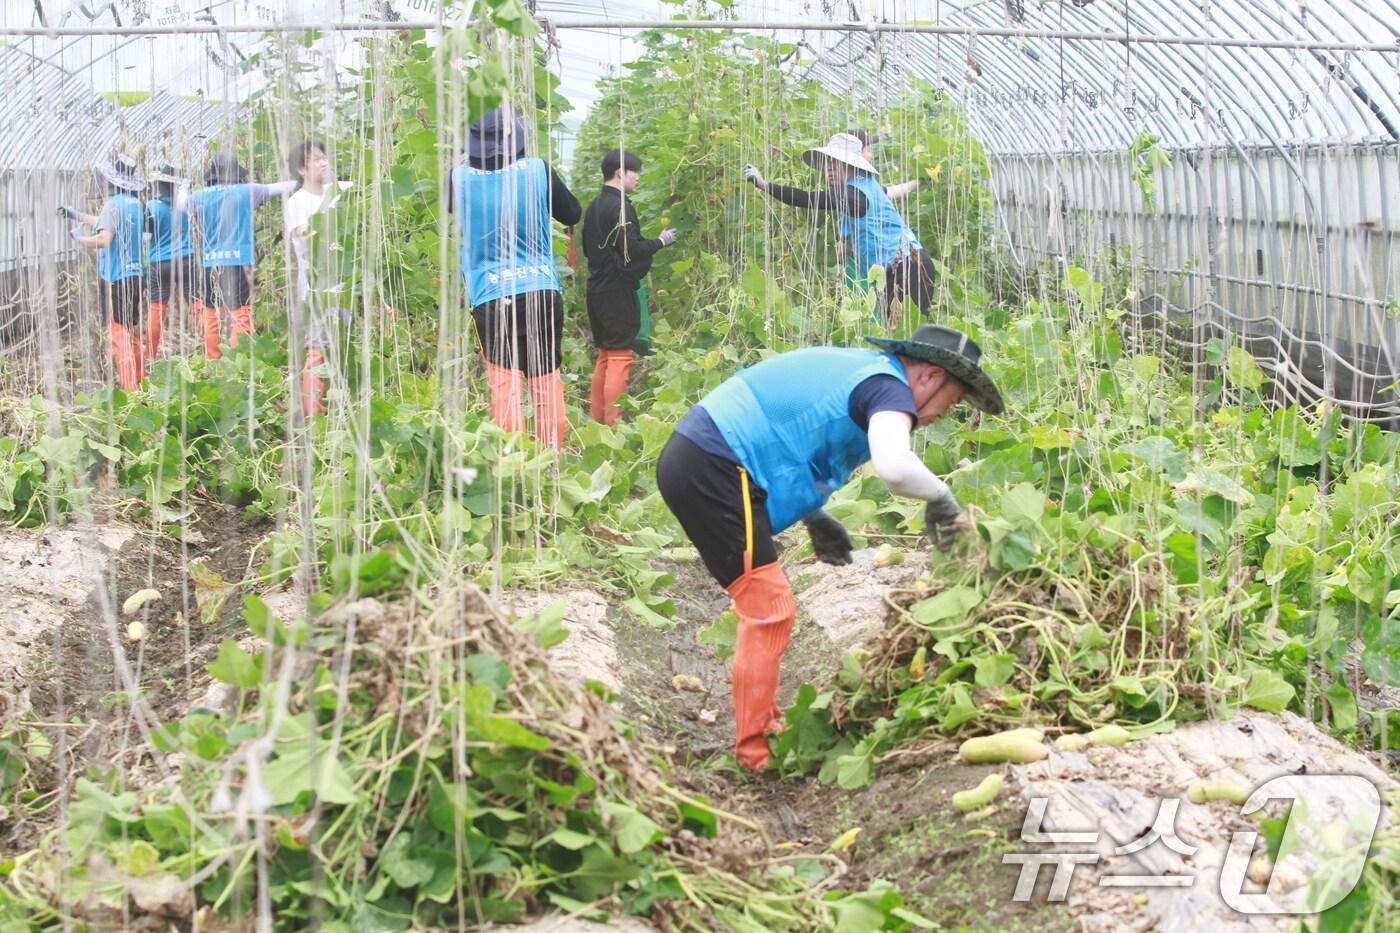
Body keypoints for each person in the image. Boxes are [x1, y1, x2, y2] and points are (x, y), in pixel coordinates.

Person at [656, 324, 1005, 770]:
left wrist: (813, 515)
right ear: (931, 377)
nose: (941, 415)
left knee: (768, 606)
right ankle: (755, 751)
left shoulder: (867, 375)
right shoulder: (889, 388)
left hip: (709, 459)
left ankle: (763, 725)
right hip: (714, 464)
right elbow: (895, 467)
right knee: (769, 609)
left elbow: (784, 436)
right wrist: (942, 498)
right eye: (952, 402)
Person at [451, 105, 581, 448]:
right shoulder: (538, 171)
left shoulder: (458, 178)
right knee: (545, 376)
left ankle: (514, 463)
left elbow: (452, 208)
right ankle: (550, 458)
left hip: (490, 296)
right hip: (540, 289)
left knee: (504, 382)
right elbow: (573, 212)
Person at [744, 132, 936, 326]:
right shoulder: (861, 187)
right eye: (827, 163)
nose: (829, 169)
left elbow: (810, 199)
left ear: (852, 165)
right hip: (891, 272)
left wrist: (763, 184)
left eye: (835, 163)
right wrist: (850, 248)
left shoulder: (853, 194)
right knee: (891, 330)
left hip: (910, 267)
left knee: (909, 332)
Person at [580, 148, 678, 426]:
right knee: (621, 356)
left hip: (596, 288)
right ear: (621, 173)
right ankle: (614, 425)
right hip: (615, 292)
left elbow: (589, 249)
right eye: (636, 173)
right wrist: (661, 241)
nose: (638, 179)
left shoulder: (595, 205)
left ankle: (597, 421)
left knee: (605, 356)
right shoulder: (621, 207)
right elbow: (631, 250)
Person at [189, 152, 296, 360]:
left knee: (212, 313)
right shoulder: (246, 191)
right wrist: (305, 179)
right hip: (239, 262)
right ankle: (239, 363)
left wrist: (183, 187)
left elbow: (181, 204)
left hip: (210, 263)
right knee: (240, 314)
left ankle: (213, 360)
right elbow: (280, 187)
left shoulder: (199, 197)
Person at [61, 155, 149, 389]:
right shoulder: (134, 204)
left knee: (118, 334)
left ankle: (130, 389)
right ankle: (141, 381)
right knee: (131, 330)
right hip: (135, 276)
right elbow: (105, 222)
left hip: (116, 279)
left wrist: (80, 240)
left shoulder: (113, 204)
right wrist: (77, 215)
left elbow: (104, 237)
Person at [283, 139, 350, 416]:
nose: (324, 163)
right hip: (317, 289)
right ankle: (314, 415)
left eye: (325, 157)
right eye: (315, 159)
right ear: (301, 169)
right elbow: (305, 236)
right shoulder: (297, 203)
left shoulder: (340, 191)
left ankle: (337, 411)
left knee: (341, 350)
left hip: (343, 285)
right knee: (317, 350)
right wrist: (332, 243)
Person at [840, 130, 920, 294]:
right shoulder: (852, 191)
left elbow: (892, 191)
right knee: (894, 316)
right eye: (868, 149)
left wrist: (920, 181)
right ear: (854, 155)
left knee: (903, 317)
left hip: (905, 263)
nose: (872, 154)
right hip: (891, 270)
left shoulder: (866, 186)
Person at [145, 162, 196, 364]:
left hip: (160, 262)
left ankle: (150, 354)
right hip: (186, 259)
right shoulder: (184, 205)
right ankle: (213, 347)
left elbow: (146, 236)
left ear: (159, 185)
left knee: (157, 309)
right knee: (197, 304)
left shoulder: (151, 206)